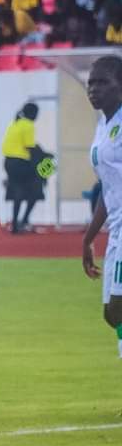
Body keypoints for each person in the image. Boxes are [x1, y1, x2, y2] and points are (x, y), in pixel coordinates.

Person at [82, 55, 122, 358]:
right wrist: (88, 237)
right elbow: (108, 188)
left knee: (118, 311)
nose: (93, 89)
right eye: (91, 83)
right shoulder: (103, 125)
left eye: (102, 82)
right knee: (112, 315)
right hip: (115, 230)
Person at [2, 103, 46, 234]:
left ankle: (15, 224)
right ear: (32, 113)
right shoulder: (28, 125)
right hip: (21, 163)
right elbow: (30, 148)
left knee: (18, 192)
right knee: (37, 187)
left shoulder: (14, 123)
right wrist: (41, 170)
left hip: (8, 163)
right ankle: (24, 220)